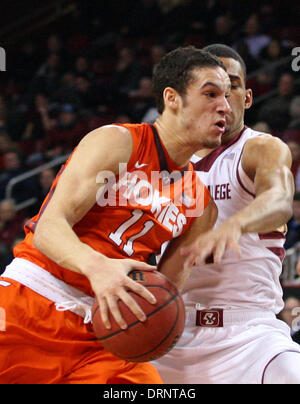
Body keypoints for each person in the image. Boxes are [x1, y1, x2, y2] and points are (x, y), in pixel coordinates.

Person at [0, 46, 231, 384]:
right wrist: (98, 268)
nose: (224, 106)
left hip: (107, 333)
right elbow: (49, 228)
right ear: (172, 98)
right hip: (33, 302)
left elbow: (165, 292)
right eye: (210, 93)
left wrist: (163, 326)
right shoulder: (118, 141)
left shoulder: (202, 205)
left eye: (227, 95)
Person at [153, 44, 300, 384]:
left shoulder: (260, 148)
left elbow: (279, 199)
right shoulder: (163, 166)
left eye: (231, 85)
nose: (222, 97)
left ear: (247, 97)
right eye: (210, 90)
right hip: (170, 333)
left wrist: (236, 224)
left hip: (249, 337)